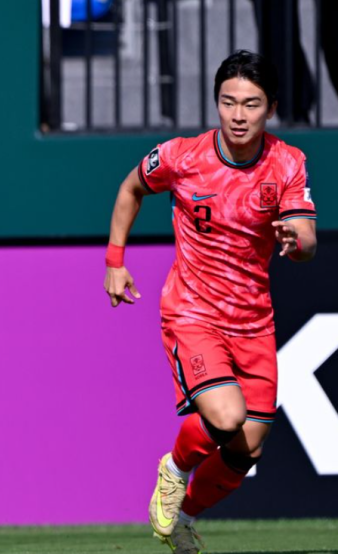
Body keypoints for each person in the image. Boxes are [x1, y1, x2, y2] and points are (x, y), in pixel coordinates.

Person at [103, 50, 317, 554]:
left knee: (247, 448)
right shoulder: (181, 157)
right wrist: (115, 259)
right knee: (225, 417)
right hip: (193, 313)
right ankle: (173, 470)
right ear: (216, 102)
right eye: (228, 102)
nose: (238, 115)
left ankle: (184, 517)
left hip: (254, 322)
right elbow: (131, 188)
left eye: (251, 104)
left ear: (271, 108)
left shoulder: (287, 162)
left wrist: (297, 242)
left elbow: (305, 236)